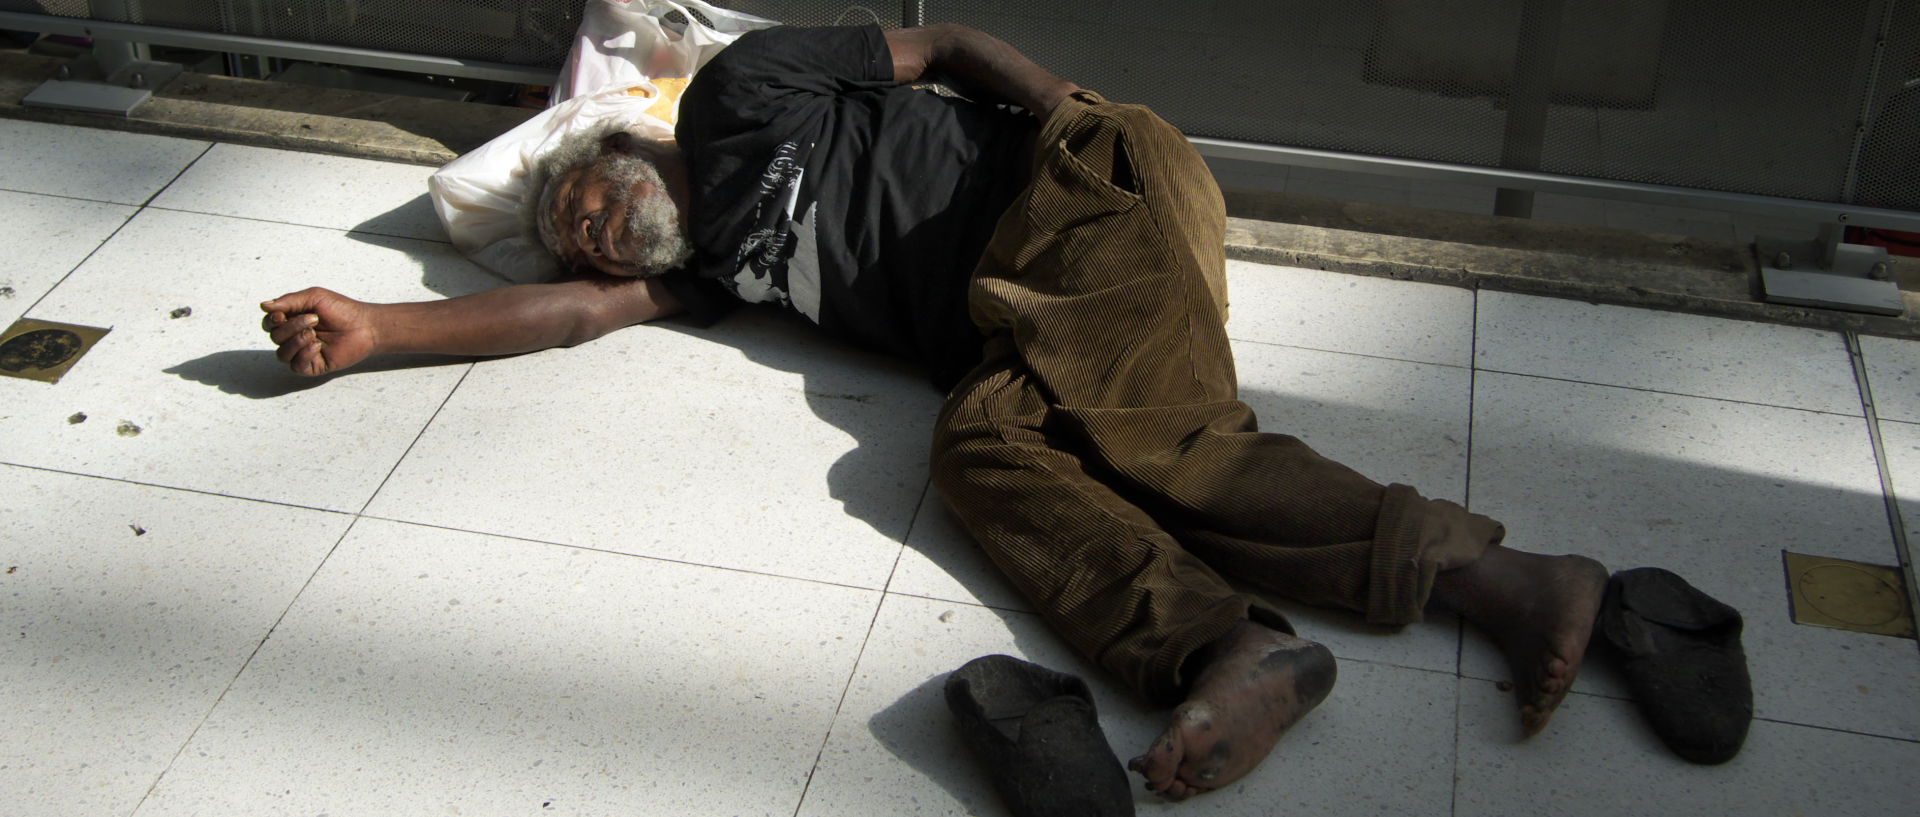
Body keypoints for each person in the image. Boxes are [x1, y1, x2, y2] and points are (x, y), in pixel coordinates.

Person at [261, 23, 1609, 800]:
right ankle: (1238, 647)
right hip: (1021, 314)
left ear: (626, 141)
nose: (599, 236)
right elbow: (560, 314)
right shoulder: (710, 272)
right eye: (580, 240)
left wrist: (1078, 115)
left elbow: (941, 44)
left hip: (1073, 194)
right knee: (992, 443)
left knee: (1154, 439)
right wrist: (384, 327)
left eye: (590, 199)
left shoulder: (736, 98)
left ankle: (1498, 580)